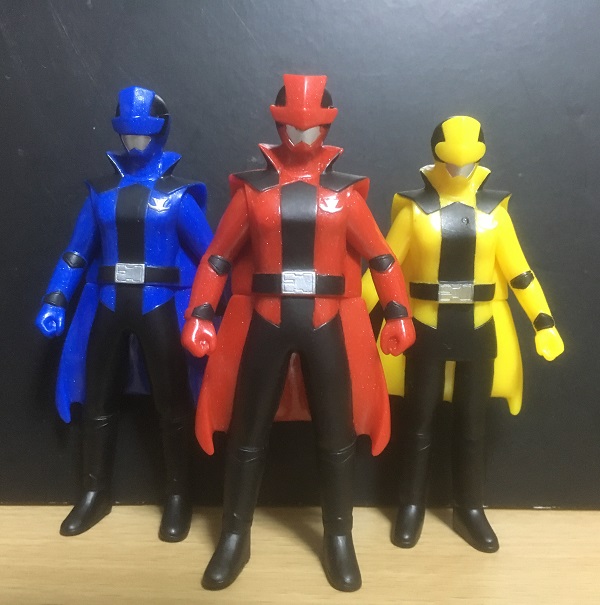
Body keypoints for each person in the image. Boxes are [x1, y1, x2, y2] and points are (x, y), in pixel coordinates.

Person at [182, 74, 414, 591]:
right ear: (277, 124)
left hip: (327, 321)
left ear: (328, 127)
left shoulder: (344, 195)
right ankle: (234, 536)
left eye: (313, 129)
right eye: (293, 128)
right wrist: (200, 312)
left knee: (336, 435)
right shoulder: (254, 192)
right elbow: (217, 257)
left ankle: (339, 537)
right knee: (247, 432)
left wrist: (397, 311)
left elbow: (381, 256)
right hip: (265, 318)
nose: (302, 138)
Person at [362, 115, 564, 553]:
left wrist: (543, 321)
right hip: (426, 324)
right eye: (450, 160)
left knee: (473, 425)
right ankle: (410, 504)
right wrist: (356, 314)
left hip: (479, 325)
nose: (458, 168)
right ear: (436, 156)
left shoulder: (495, 213)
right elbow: (383, 267)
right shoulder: (414, 211)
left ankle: (470, 507)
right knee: (418, 422)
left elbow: (520, 273)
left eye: (467, 160)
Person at [36, 86, 212, 541]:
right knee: (98, 401)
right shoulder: (100, 194)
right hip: (110, 304)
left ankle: (179, 496)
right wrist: (56, 299)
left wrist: (207, 311)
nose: (135, 143)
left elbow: (214, 259)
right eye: (127, 135)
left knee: (173, 406)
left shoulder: (177, 196)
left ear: (160, 132)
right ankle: (94, 493)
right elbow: (76, 253)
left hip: (159, 305)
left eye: (143, 134)